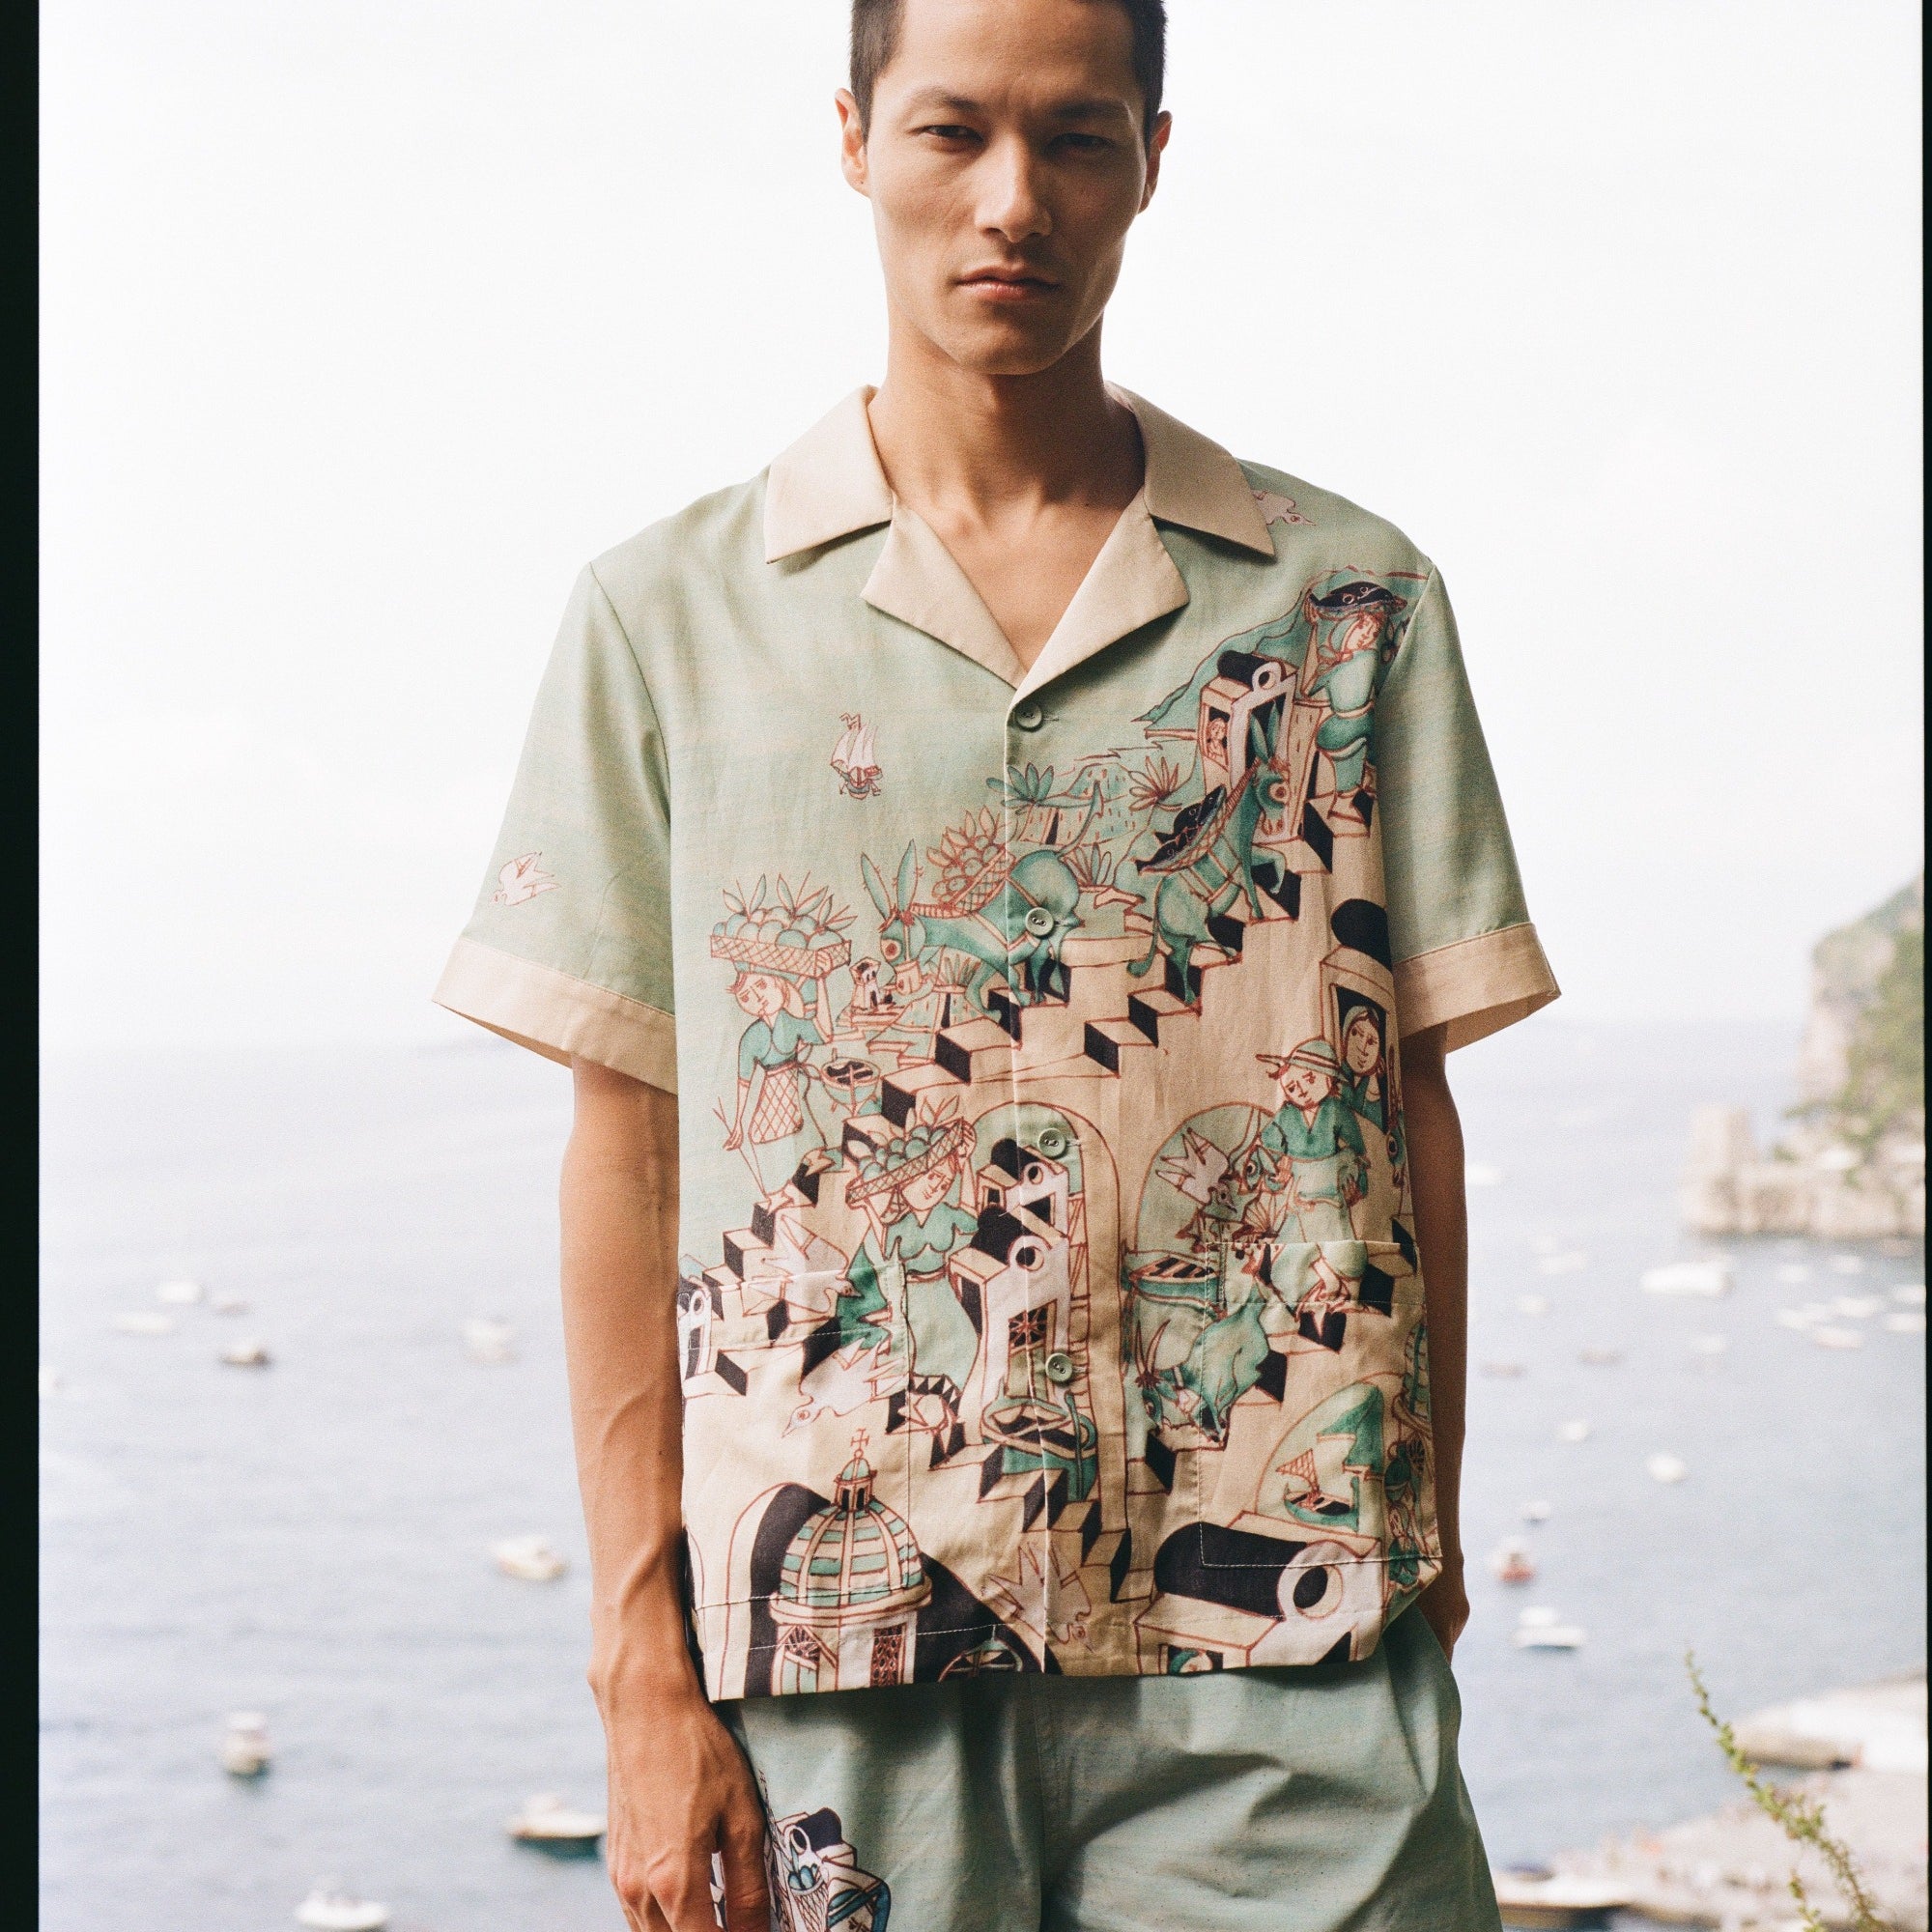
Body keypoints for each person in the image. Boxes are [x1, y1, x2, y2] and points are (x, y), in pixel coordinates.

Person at [434, 2, 1559, 1926]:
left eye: (1080, 138)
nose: (1013, 202)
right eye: (954, 132)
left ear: (1154, 158)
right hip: (842, 1671)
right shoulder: (666, 622)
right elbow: (621, 1156)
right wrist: (639, 1663)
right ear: (856, 136)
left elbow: (1410, 1103)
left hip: (1289, 1642)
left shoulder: (1349, 601)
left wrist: (1425, 1550)